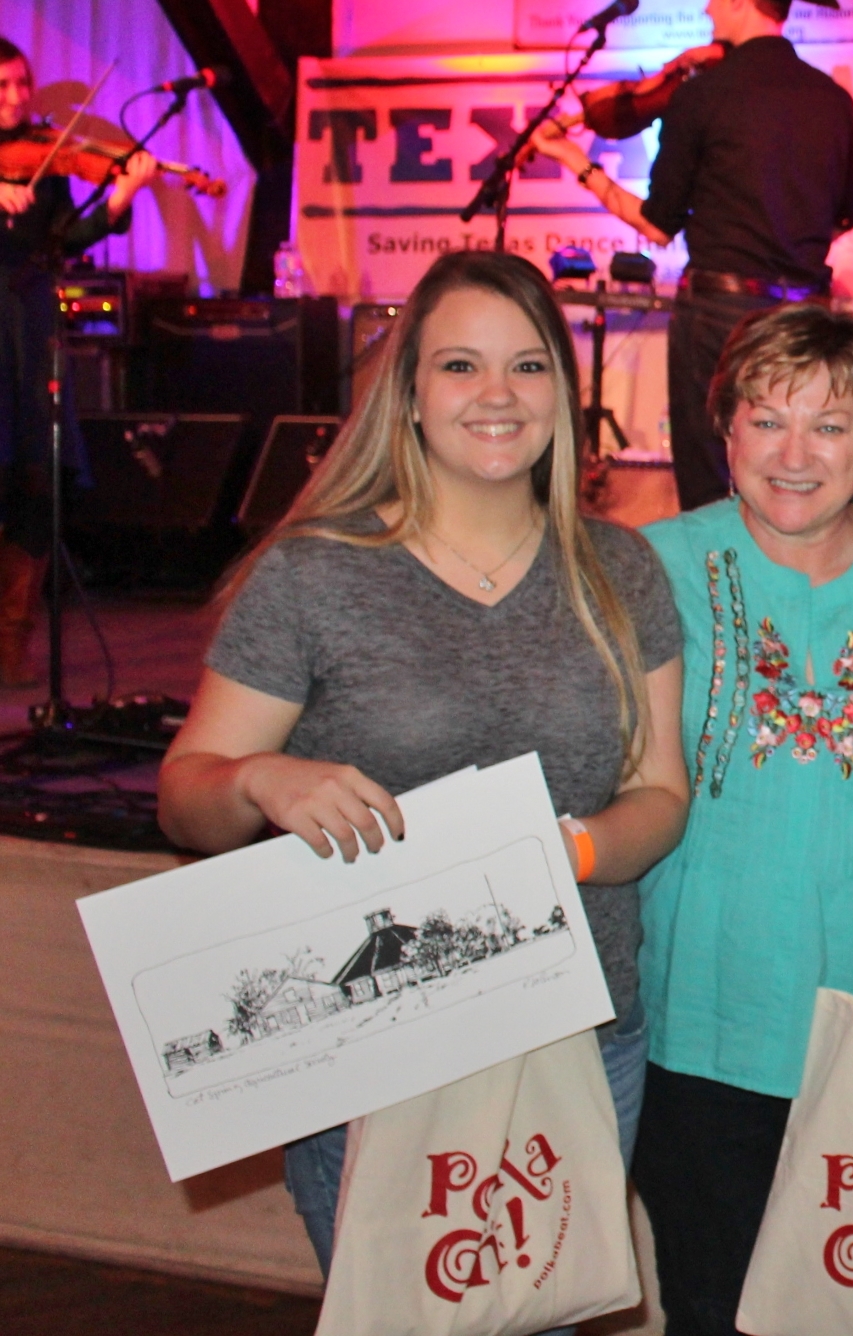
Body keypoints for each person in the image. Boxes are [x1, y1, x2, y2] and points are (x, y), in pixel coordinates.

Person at [155, 249, 690, 1304]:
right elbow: (186, 796)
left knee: (540, 1315)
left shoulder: (621, 568)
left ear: (565, 395)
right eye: (459, 366)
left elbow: (660, 794)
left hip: (576, 1026)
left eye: (529, 367)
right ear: (407, 394)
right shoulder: (316, 573)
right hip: (370, 1053)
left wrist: (565, 852)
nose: (497, 395)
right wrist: (263, 777)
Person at [634, 302, 853, 1336]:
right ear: (723, 433)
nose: (795, 453)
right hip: (703, 1011)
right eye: (767, 419)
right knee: (713, 1308)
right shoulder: (649, 565)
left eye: (829, 425)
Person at [531, 0, 853, 515]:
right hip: (806, 314)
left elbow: (656, 224)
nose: (707, 7)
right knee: (794, 472)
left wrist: (574, 161)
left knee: (712, 481)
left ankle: (716, 589)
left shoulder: (703, 95)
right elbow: (847, 213)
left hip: (719, 314)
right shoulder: (832, 99)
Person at [0, 38, 155, 685]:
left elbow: (70, 234)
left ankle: (12, 641)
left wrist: (120, 200)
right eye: (1, 86)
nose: (15, 98)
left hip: (28, 320)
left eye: (20, 84)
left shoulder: (45, 157)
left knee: (35, 473)